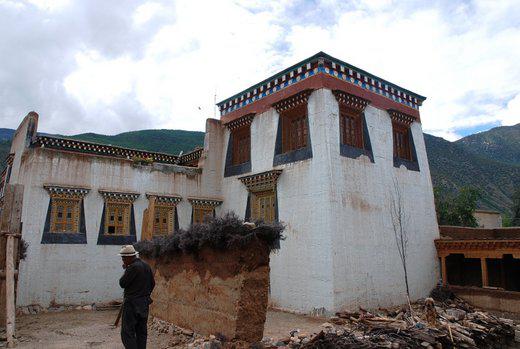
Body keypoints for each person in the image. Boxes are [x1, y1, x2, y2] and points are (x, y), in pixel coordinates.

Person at [118, 245, 155, 349]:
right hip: (144, 304)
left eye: (123, 258)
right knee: (141, 332)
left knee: (127, 333)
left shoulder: (133, 267)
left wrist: (126, 270)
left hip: (132, 304)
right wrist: (144, 295)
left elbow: (122, 283)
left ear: (129, 257)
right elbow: (152, 283)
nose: (122, 260)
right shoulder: (146, 266)